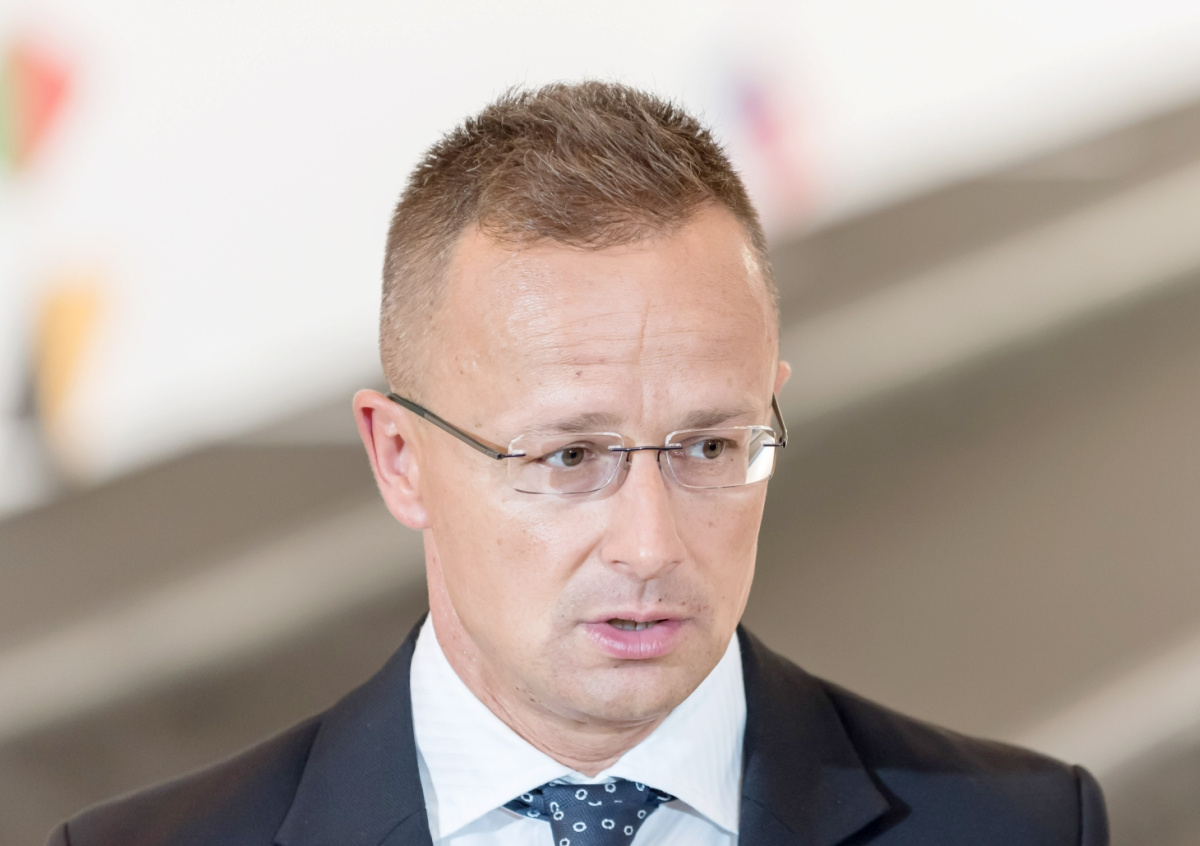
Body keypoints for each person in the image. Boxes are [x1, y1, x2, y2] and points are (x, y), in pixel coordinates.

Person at [49, 81, 1108, 846]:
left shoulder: (1018, 827)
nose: (649, 545)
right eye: (569, 456)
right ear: (400, 457)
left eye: (708, 444)